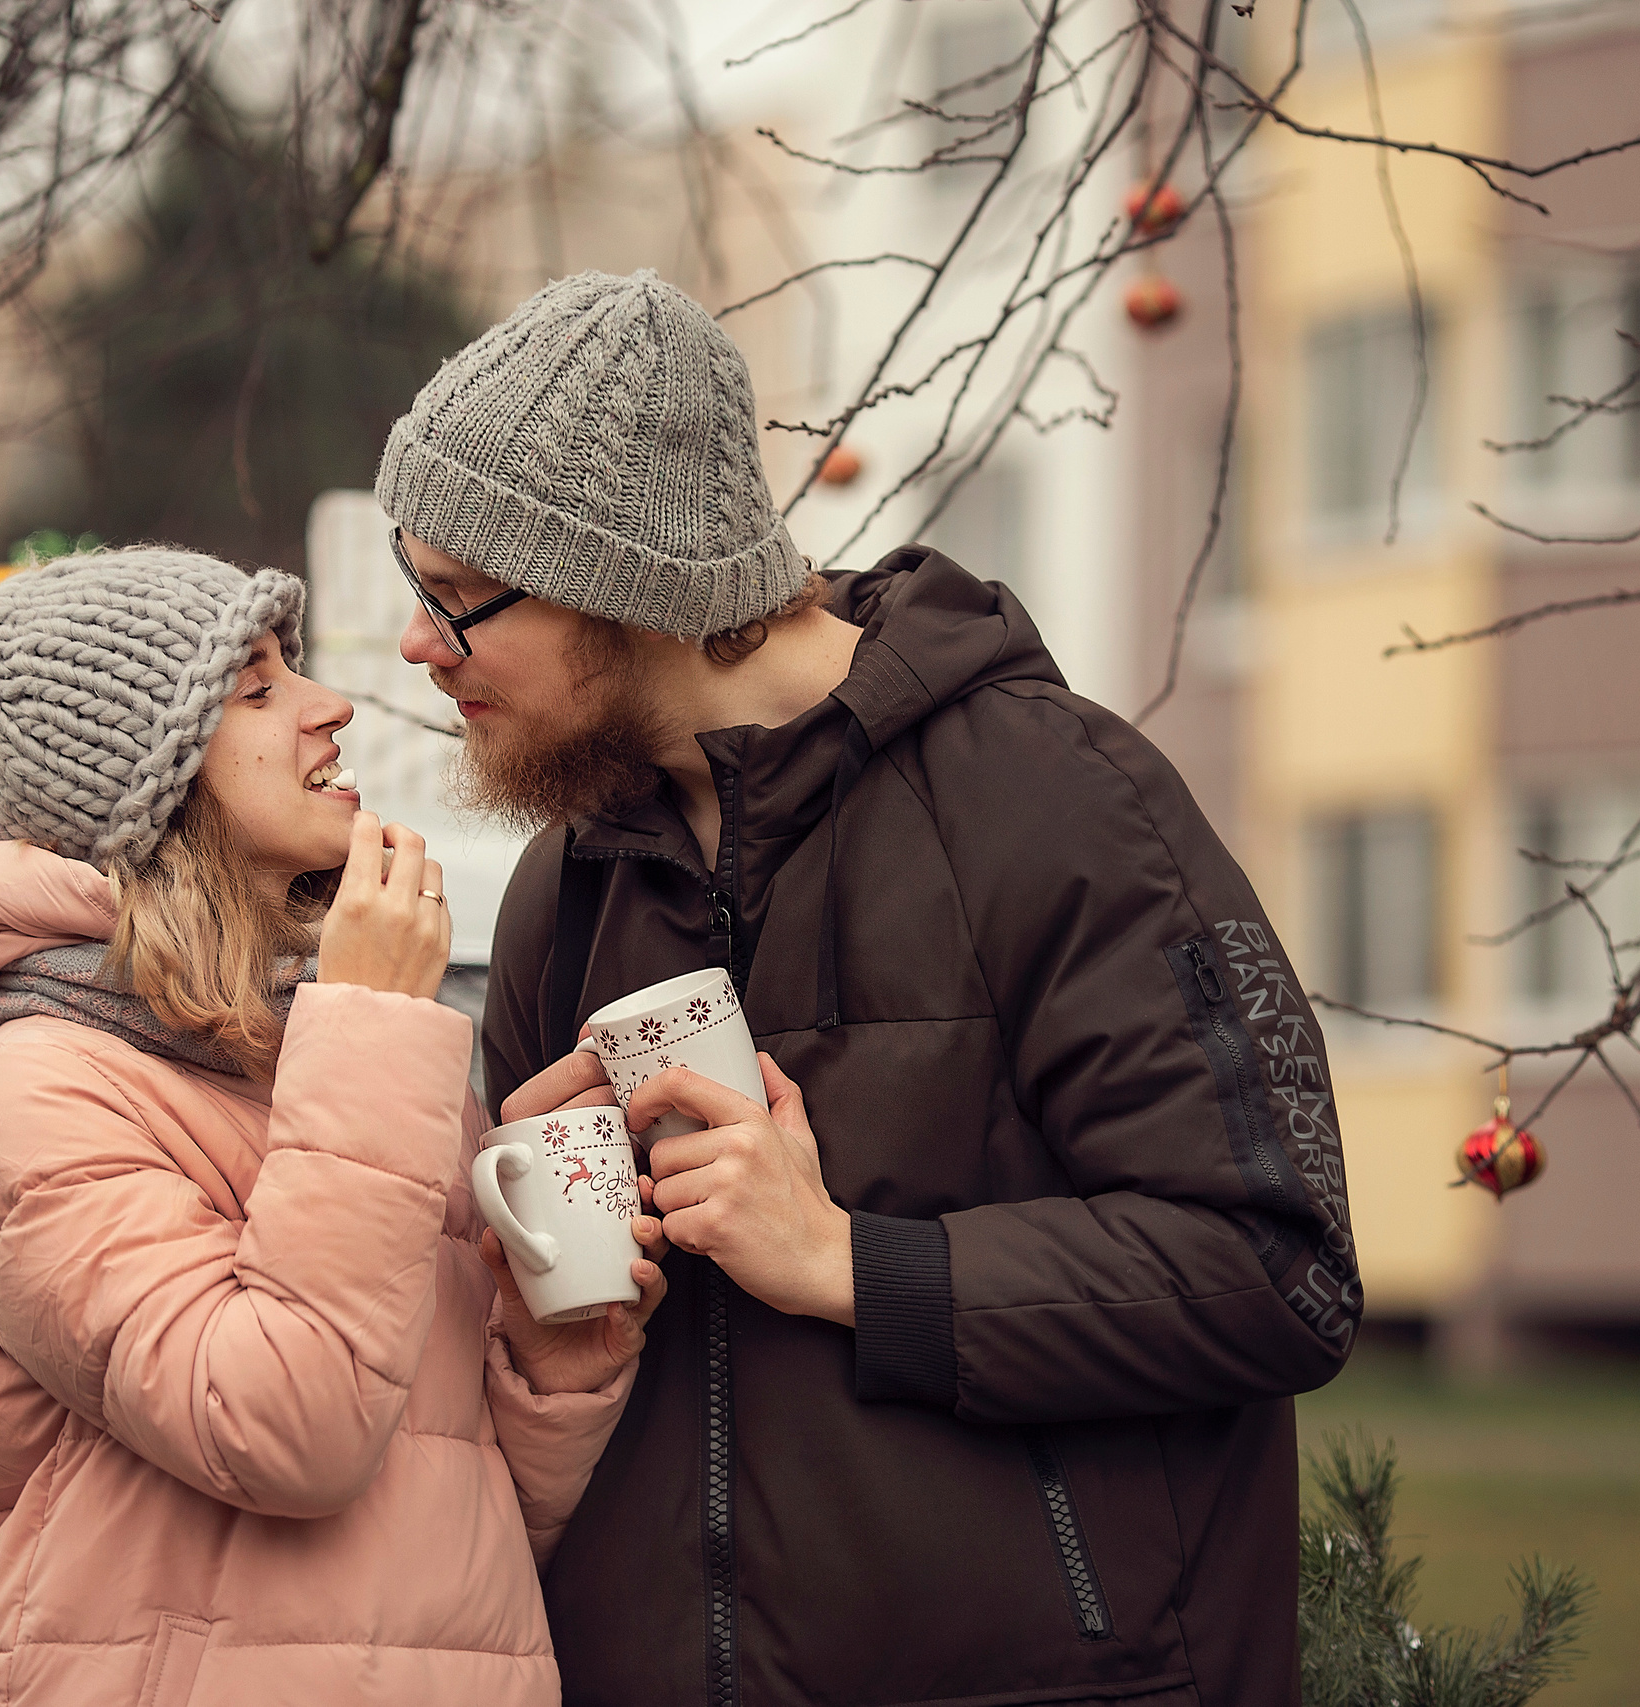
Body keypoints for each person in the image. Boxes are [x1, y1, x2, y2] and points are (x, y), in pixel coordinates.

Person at [377, 271, 1361, 1707]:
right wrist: (533, 1250)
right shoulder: (567, 882)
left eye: (458, 598)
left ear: (623, 583)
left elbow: (1282, 1271)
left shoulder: (1057, 801)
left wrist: (851, 1260)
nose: (418, 643)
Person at [0, 548, 663, 1704]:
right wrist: (369, 1024)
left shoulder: (325, 1048)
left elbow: (447, 1542)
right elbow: (286, 1432)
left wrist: (551, 1361)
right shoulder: (44, 1092)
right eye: (256, 689)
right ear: (143, 793)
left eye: (291, 668)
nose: (329, 706)